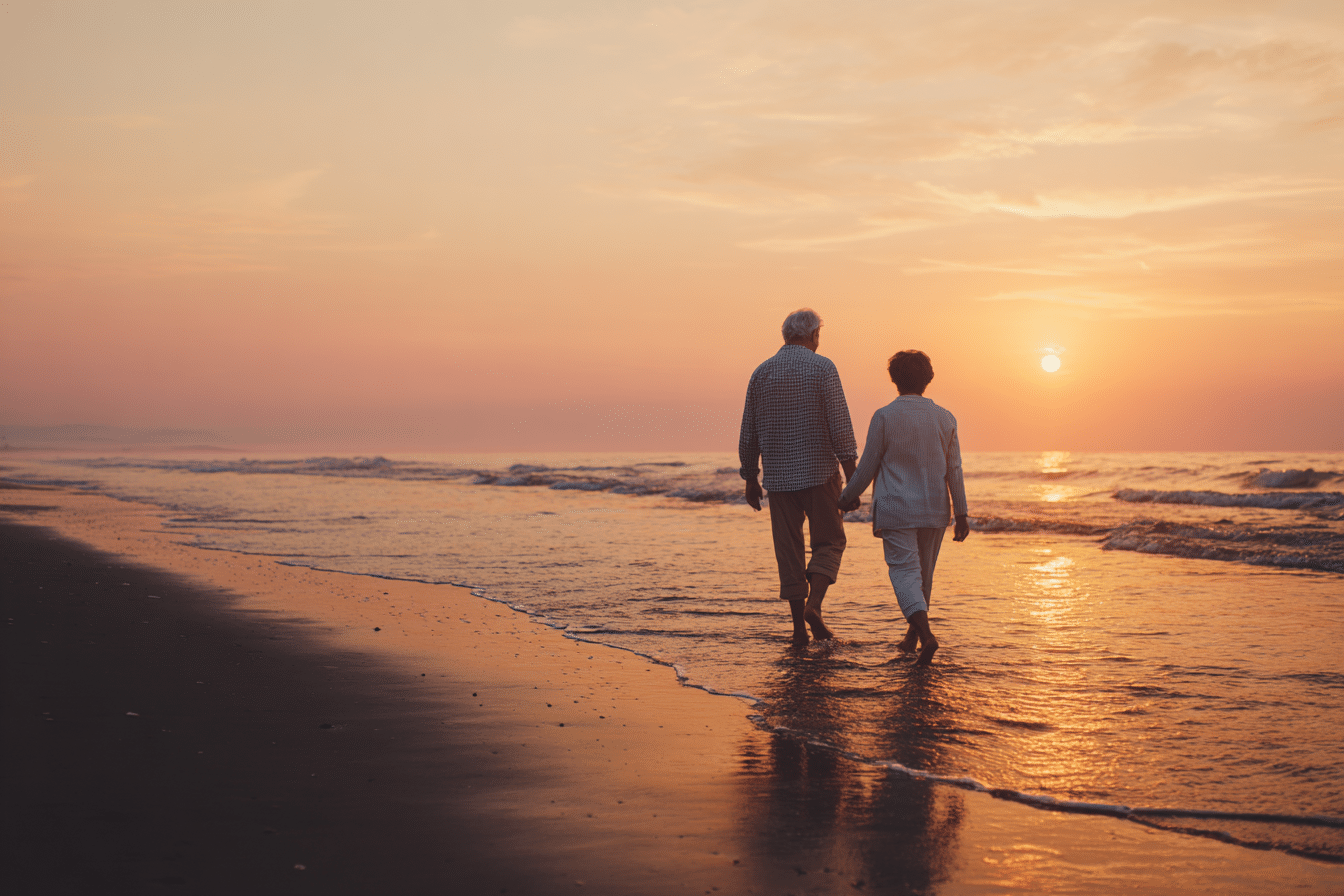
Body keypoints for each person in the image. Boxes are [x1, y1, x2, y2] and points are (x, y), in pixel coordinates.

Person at [837, 350, 969, 665]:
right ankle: (913, 637)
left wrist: (845, 498)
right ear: (929, 379)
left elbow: (867, 467)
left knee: (904, 572)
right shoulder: (945, 417)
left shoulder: (884, 416)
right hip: (934, 508)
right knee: (924, 575)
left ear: (894, 380)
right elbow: (955, 470)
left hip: (897, 509)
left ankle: (925, 636)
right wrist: (962, 514)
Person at [739, 309, 859, 644]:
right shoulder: (823, 368)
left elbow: (749, 433)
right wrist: (853, 481)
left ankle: (797, 631)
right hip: (819, 474)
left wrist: (750, 478)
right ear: (814, 335)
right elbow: (841, 427)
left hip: (778, 480)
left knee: (789, 553)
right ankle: (814, 607)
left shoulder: (761, 373)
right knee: (830, 542)